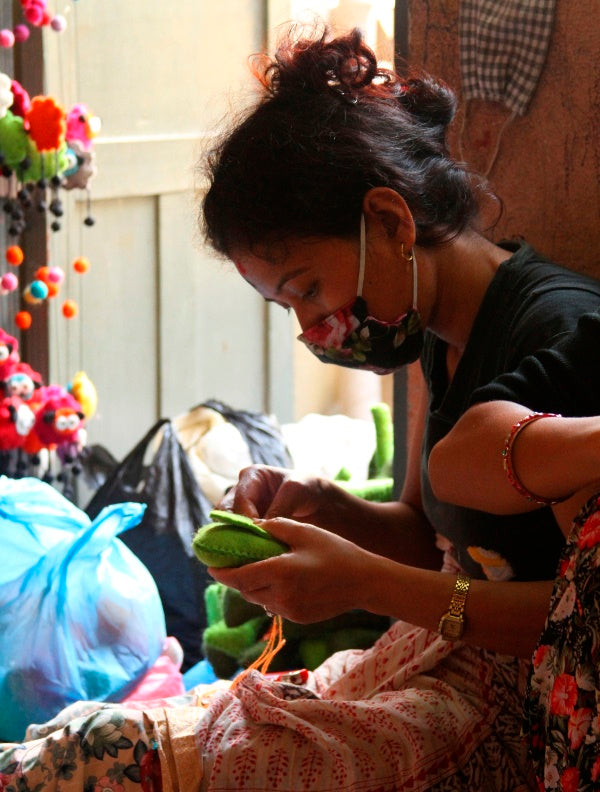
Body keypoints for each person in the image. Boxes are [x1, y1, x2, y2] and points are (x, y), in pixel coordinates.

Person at [1, 23, 600, 792]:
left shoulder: (563, 336)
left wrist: (367, 586)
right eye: (288, 307)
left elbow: (575, 621)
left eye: (309, 291)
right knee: (103, 741)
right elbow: (426, 537)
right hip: (429, 661)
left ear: (389, 221)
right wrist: (322, 506)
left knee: (148, 767)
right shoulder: (442, 337)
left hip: (526, 715)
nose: (314, 330)